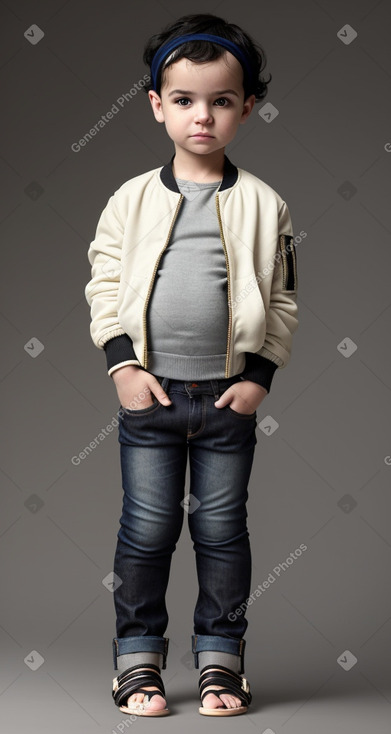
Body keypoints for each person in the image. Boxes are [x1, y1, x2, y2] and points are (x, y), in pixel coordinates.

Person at [85, 12, 298, 718]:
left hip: (225, 401)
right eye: (183, 99)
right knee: (145, 531)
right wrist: (122, 367)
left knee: (220, 531)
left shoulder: (266, 206)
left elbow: (282, 300)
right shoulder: (130, 200)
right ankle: (136, 661)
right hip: (151, 396)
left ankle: (220, 663)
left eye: (220, 100)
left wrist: (257, 379)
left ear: (247, 108)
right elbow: (105, 285)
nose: (200, 115)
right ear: (155, 105)